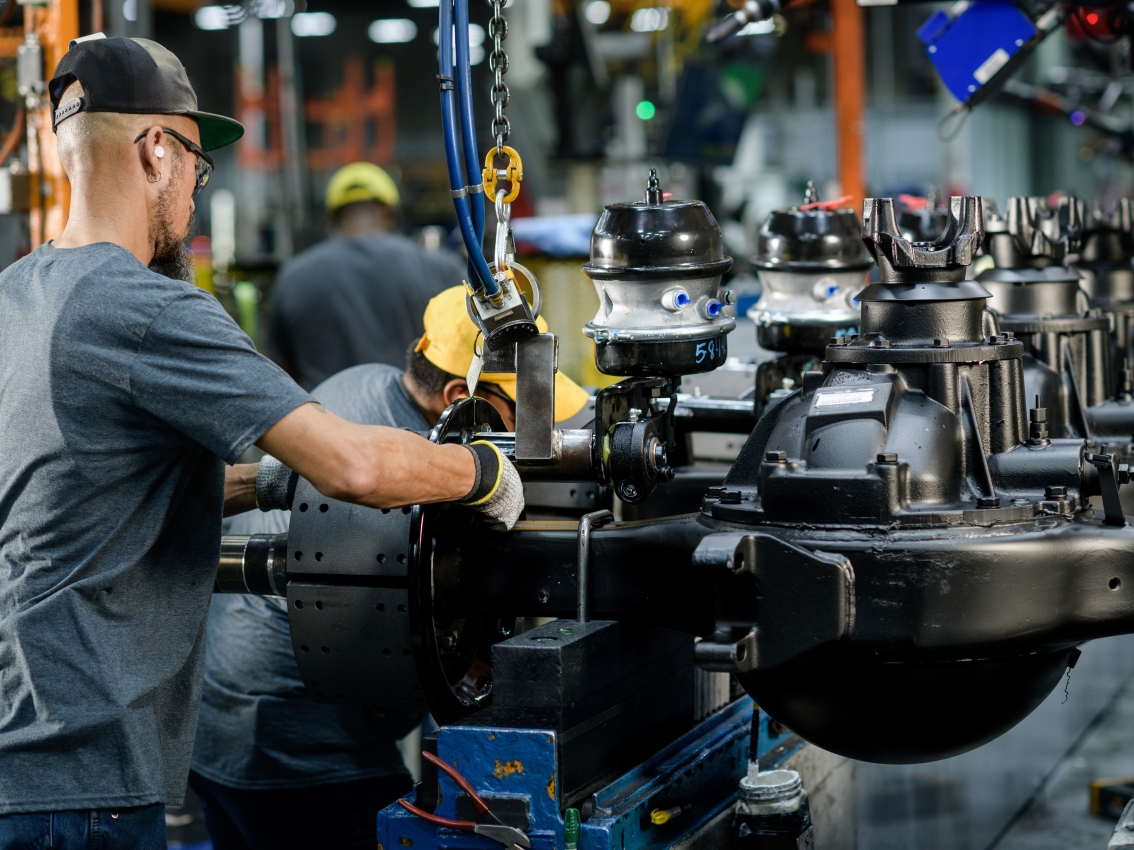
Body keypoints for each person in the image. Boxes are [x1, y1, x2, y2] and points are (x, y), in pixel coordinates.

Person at [0, 36, 521, 846]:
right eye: (199, 171)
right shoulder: (147, 308)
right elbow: (352, 464)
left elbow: (82, 494)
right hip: (84, 777)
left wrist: (269, 483)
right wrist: (481, 473)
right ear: (156, 153)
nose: (197, 198)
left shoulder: (15, 294)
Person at [188, 285, 588, 849]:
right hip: (300, 755)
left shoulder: (365, 382)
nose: (532, 431)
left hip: (217, 732)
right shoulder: (398, 462)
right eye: (521, 410)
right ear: (457, 392)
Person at [267, 162, 468, 390]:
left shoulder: (294, 277)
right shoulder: (441, 269)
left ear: (332, 217)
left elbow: (280, 375)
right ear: (388, 211)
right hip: (416, 423)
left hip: (325, 420)